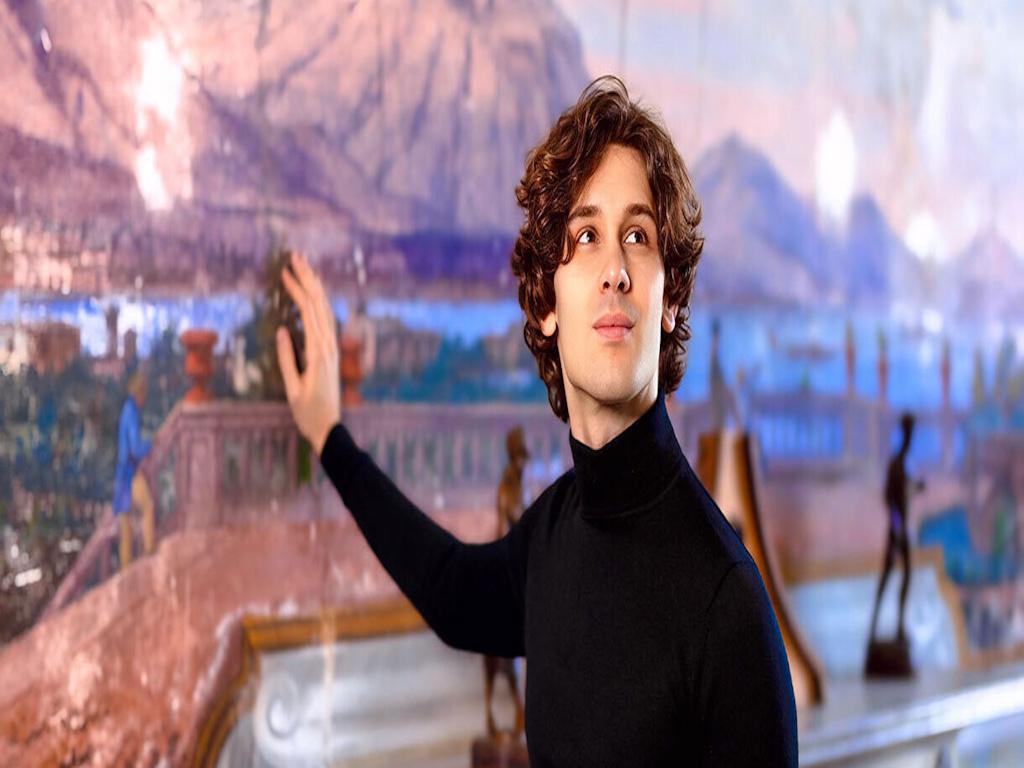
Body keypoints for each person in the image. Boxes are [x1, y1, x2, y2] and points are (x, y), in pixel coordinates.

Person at [276, 76, 797, 766]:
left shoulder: (725, 603)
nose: (614, 268)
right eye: (586, 236)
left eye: (637, 236)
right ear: (547, 304)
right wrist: (328, 437)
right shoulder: (553, 532)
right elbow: (453, 592)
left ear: (669, 299)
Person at [869, 412, 925, 643]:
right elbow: (890, 498)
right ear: (905, 432)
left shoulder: (905, 462)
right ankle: (874, 625)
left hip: (903, 529)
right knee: (887, 575)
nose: (911, 436)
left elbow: (903, 493)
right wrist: (897, 527)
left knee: (905, 575)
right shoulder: (896, 463)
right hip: (897, 530)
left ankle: (899, 625)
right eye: (909, 431)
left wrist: (915, 487)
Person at [113, 366, 155, 569]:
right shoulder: (131, 413)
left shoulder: (127, 410)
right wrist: (150, 444)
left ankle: (126, 569)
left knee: (126, 525)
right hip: (130, 474)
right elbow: (135, 448)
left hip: (123, 475)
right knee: (147, 506)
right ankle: (149, 551)